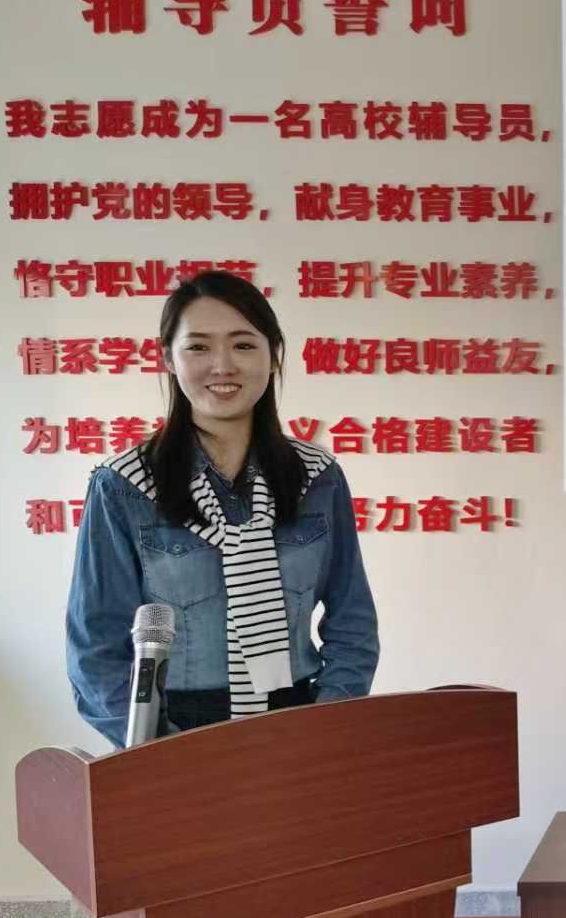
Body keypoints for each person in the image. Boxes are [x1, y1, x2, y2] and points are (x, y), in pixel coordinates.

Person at [66, 270, 378, 746]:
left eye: (243, 345)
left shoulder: (317, 477)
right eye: (198, 347)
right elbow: (96, 649)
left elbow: (353, 620)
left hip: (300, 721)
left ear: (274, 355)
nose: (223, 365)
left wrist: (325, 723)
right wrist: (156, 751)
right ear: (167, 357)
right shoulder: (125, 485)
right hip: (172, 734)